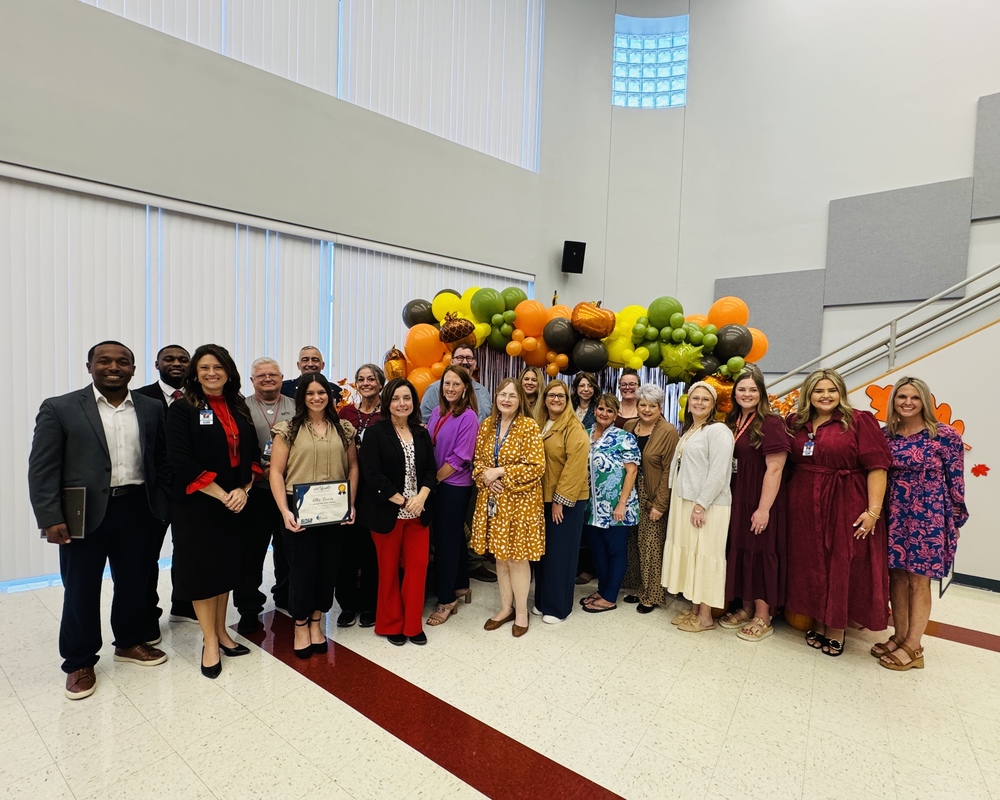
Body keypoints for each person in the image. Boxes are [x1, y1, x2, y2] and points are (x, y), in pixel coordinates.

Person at [29, 341, 171, 700]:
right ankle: (79, 661)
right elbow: (43, 468)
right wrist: (49, 516)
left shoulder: (152, 408)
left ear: (134, 370)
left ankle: (129, 642)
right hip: (83, 512)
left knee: (135, 581)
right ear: (89, 365)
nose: (114, 367)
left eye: (123, 362)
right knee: (80, 587)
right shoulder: (60, 408)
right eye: (104, 361)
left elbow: (161, 460)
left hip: (139, 508)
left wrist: (164, 504)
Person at [166, 344, 261, 678]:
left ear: (228, 371)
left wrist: (243, 490)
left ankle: (222, 632)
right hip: (198, 505)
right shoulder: (182, 409)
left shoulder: (238, 406)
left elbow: (251, 454)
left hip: (234, 503)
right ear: (195, 372)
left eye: (218, 367)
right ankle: (208, 641)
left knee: (226, 571)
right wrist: (223, 494)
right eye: (204, 368)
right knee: (203, 574)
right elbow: (181, 461)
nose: (211, 373)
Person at [786, 369, 891, 657]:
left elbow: (877, 467)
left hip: (846, 500)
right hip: (804, 503)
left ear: (841, 393)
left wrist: (873, 511)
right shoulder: (796, 423)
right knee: (811, 562)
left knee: (841, 561)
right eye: (819, 390)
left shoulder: (858, 421)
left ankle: (836, 627)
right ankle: (819, 620)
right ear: (809, 393)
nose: (825, 396)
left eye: (831, 390)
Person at [873, 376, 968, 671]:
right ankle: (900, 636)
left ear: (925, 401)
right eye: (902, 397)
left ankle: (914, 647)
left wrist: (954, 520)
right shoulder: (887, 434)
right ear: (894, 401)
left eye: (914, 397)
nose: (908, 402)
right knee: (897, 577)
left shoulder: (944, 435)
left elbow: (956, 479)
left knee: (919, 580)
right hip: (895, 513)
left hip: (929, 516)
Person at [269, 373, 358, 659]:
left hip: (334, 510)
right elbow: (276, 472)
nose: (317, 398)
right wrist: (284, 511)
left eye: (322, 392)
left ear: (330, 396)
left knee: (327, 568)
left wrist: (351, 504)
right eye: (310, 393)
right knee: (302, 569)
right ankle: (300, 625)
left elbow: (353, 468)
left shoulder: (342, 428)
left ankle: (317, 621)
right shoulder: (288, 429)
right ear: (301, 397)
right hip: (299, 509)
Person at [356, 378, 437, 645]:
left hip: (419, 513)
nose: (402, 404)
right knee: (388, 570)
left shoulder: (421, 432)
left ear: (413, 402)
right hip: (388, 513)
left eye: (407, 398)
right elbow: (372, 474)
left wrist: (422, 495)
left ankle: (413, 625)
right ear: (387, 402)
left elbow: (429, 470)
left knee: (417, 568)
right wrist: (402, 501)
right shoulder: (376, 433)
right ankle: (391, 623)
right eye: (396, 399)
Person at [471, 378, 545, 637]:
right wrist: (487, 480)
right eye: (502, 394)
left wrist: (501, 472)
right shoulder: (487, 426)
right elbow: (478, 464)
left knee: (517, 558)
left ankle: (522, 612)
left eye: (512, 396)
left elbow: (537, 467)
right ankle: (505, 608)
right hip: (493, 502)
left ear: (520, 400)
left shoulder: (528, 426)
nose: (506, 399)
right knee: (500, 559)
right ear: (495, 398)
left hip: (520, 504)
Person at [720, 371, 790, 641]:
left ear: (761, 393)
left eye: (752, 389)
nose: (746, 394)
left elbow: (775, 469)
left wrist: (763, 510)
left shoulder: (770, 423)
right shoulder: (732, 420)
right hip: (737, 496)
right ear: (734, 394)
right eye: (741, 390)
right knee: (741, 549)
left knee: (761, 552)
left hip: (760, 498)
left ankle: (763, 615)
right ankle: (746, 607)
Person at [662, 381, 735, 632]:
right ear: (688, 401)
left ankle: (705, 616)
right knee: (692, 554)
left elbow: (718, 472)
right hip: (686, 499)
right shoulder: (692, 429)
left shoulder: (718, 431)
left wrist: (701, 504)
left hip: (708, 504)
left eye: (705, 399)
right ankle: (695, 608)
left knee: (705, 556)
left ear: (713, 405)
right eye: (695, 398)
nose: (699, 403)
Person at [134, 344, 195, 629]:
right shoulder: (140, 398)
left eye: (183, 359)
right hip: (153, 491)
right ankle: (147, 614)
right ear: (156, 364)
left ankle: (183, 605)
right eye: (169, 359)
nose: (177, 363)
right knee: (147, 556)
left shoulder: (200, 399)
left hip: (193, 490)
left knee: (187, 551)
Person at [239, 357, 295, 633]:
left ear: (282, 377)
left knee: (287, 550)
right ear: (252, 381)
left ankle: (284, 595)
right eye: (261, 376)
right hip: (256, 493)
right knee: (251, 553)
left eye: (273, 374)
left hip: (287, 491)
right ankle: (249, 607)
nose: (268, 379)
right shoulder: (241, 407)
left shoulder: (295, 406)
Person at [426, 365, 480, 625]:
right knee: (454, 536)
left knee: (445, 542)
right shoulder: (437, 412)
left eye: (456, 384)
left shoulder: (469, 417)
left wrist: (432, 481)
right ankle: (461, 584)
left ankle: (446, 599)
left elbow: (461, 458)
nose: (450, 388)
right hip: (438, 483)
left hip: (454, 486)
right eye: (446, 383)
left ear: (465, 388)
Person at [532, 380, 589, 624]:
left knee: (560, 554)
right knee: (542, 553)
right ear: (544, 399)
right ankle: (542, 601)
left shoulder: (573, 428)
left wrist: (560, 502)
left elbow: (574, 468)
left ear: (567, 401)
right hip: (541, 498)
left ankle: (557, 607)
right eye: (551, 395)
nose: (556, 399)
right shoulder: (540, 423)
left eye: (561, 396)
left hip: (566, 501)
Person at [335, 363, 384, 628]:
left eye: (371, 379)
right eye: (361, 379)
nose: (366, 383)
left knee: (370, 551)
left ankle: (368, 604)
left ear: (380, 383)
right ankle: (347, 604)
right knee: (346, 551)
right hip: (346, 489)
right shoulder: (345, 412)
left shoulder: (386, 414)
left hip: (374, 493)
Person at [580, 394, 640, 613]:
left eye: (610, 411)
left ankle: (610, 596)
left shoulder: (624, 437)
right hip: (590, 507)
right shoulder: (584, 435)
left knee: (615, 551)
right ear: (595, 410)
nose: (604, 414)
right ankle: (603, 590)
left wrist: (622, 503)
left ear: (616, 415)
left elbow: (631, 471)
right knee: (597, 551)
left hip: (617, 507)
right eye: (601, 409)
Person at [621, 384, 678, 613]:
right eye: (642, 404)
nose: (646, 409)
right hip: (629, 489)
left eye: (652, 405)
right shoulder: (628, 426)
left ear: (660, 407)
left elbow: (668, 472)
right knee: (633, 541)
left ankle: (652, 594)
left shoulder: (668, 432)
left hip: (652, 493)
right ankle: (638, 587)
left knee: (651, 545)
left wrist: (660, 504)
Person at [420, 345, 492, 423]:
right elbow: (424, 423)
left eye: (469, 358)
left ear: (474, 364)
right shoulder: (435, 389)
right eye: (460, 358)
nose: (465, 362)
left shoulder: (483, 391)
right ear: (451, 362)